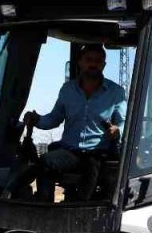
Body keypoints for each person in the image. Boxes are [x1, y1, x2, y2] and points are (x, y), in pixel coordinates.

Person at [22, 44, 127, 200]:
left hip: (97, 153)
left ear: (104, 65)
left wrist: (117, 130)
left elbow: (123, 123)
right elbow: (54, 119)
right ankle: (45, 207)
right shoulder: (67, 90)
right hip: (69, 152)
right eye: (89, 60)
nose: (93, 64)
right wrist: (37, 120)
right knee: (45, 162)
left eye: (98, 61)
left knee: (88, 187)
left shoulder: (116, 92)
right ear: (80, 62)